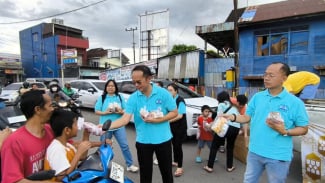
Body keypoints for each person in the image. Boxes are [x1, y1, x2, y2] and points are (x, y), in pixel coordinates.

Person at [223, 62, 309, 182]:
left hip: (278, 156)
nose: (266, 78)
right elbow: (247, 117)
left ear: (284, 78)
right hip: (254, 152)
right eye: (265, 74)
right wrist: (232, 117)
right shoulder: (257, 97)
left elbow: (304, 128)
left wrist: (285, 131)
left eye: (271, 75)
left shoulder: (295, 103)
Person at [107, 65, 178, 183]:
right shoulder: (134, 98)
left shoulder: (163, 93)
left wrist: (159, 120)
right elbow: (125, 119)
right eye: (134, 82)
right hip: (143, 142)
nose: (136, 85)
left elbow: (174, 112)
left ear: (149, 78)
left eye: (139, 82)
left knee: (167, 174)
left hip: (163, 140)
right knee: (145, 176)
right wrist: (106, 127)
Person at [1, 90, 55, 182]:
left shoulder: (50, 130)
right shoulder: (14, 142)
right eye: (50, 105)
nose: (53, 109)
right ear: (38, 109)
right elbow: (13, 181)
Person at [44, 110, 111, 181]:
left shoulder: (66, 145)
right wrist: (78, 153)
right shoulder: (56, 149)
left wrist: (86, 135)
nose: (78, 127)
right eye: (75, 124)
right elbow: (62, 177)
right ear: (67, 130)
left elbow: (82, 157)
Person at [94, 79, 139, 173]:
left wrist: (120, 111)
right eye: (109, 86)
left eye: (112, 86)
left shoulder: (119, 97)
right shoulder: (102, 97)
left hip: (119, 125)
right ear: (106, 87)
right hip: (106, 127)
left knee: (124, 145)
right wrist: (105, 112)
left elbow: (126, 110)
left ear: (115, 87)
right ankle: (102, 165)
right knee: (104, 146)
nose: (110, 87)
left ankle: (130, 165)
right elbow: (97, 111)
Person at [203, 91, 240, 173]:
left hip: (225, 126)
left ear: (220, 98)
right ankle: (230, 167)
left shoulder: (221, 104)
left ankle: (209, 166)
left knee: (214, 146)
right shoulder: (233, 107)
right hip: (236, 128)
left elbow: (219, 117)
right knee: (230, 147)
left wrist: (210, 125)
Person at [167, 83, 187, 177]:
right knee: (174, 144)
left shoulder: (180, 100)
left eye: (171, 90)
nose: (169, 92)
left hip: (180, 128)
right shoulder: (169, 100)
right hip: (172, 127)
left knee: (178, 146)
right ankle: (175, 161)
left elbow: (180, 115)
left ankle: (180, 167)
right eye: (168, 90)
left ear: (176, 91)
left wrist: (167, 121)